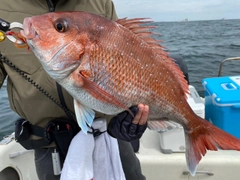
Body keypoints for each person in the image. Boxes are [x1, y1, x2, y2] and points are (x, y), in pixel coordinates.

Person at [0, 0, 149, 180]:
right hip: (49, 146)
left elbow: (127, 59)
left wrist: (127, 117)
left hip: (111, 137)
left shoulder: (100, 3)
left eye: (59, 27)